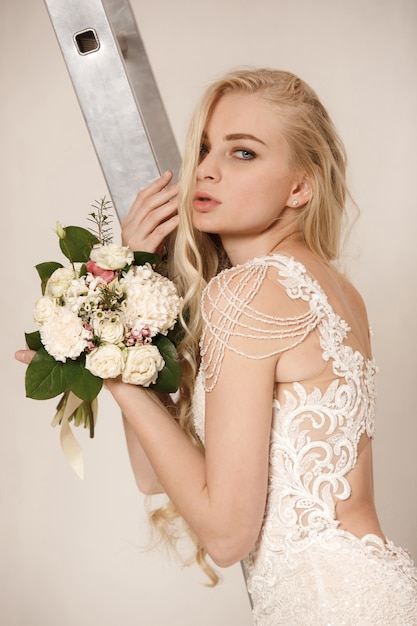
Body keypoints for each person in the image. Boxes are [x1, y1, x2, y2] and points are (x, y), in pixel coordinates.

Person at [16, 68, 417, 624]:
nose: (205, 169)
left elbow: (227, 536)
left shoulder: (249, 290)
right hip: (365, 595)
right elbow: (155, 474)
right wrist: (129, 303)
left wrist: (101, 369)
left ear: (301, 186)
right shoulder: (334, 288)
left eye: (243, 153)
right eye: (204, 148)